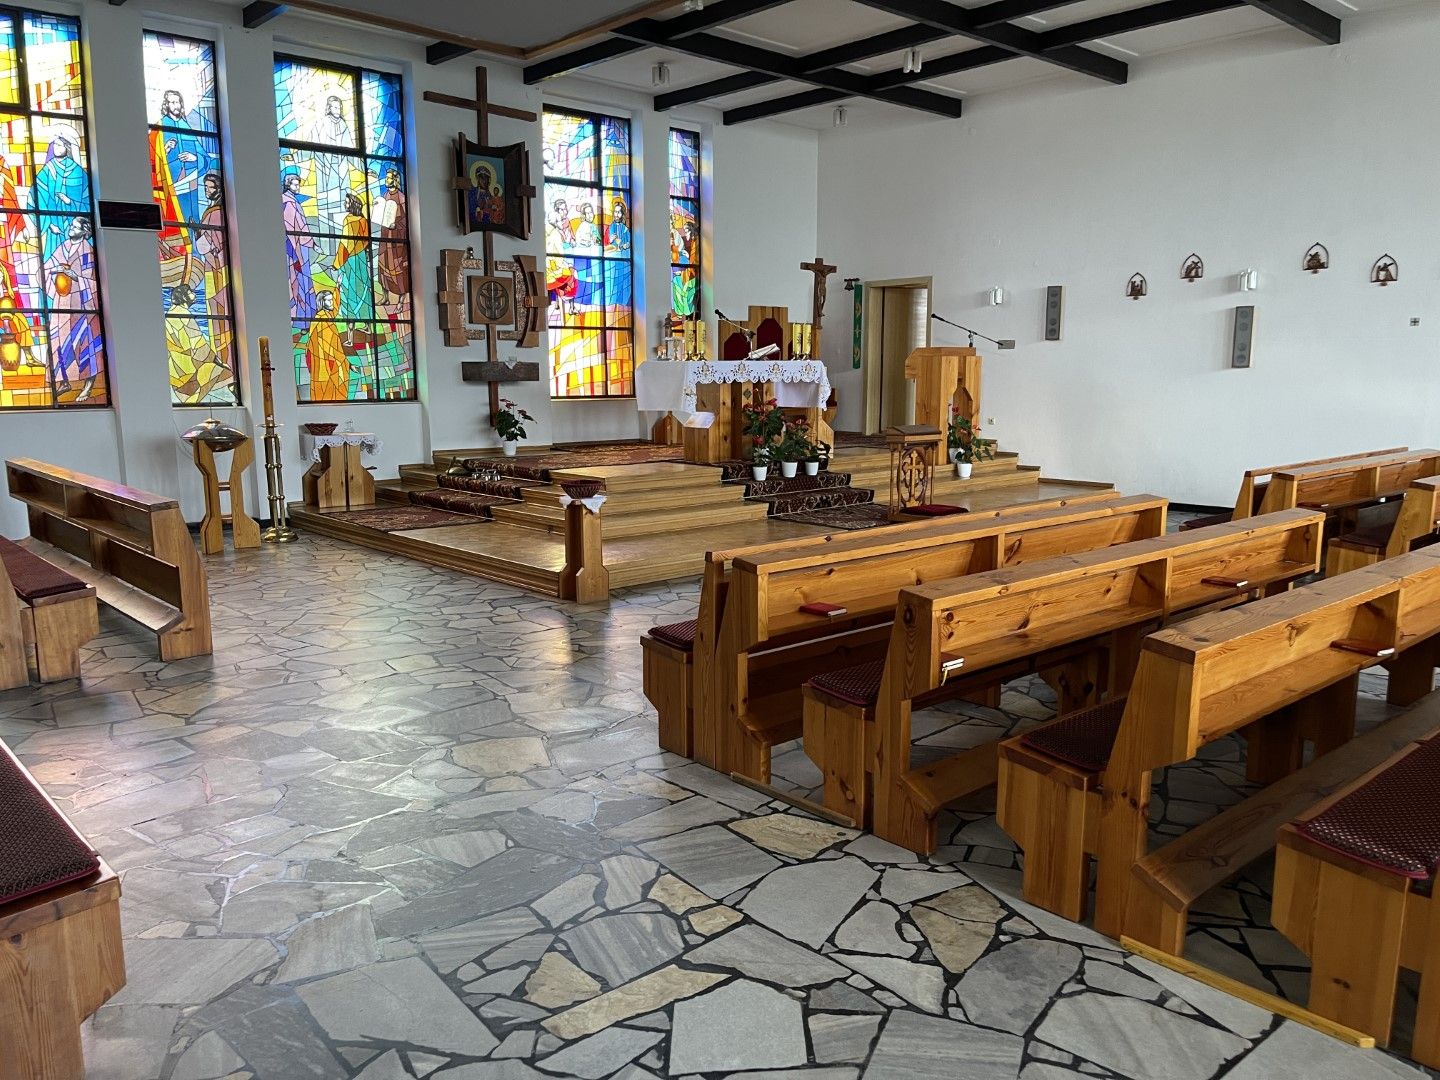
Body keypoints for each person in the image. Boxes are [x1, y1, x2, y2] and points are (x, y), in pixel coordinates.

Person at [44, 217, 99, 402]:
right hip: (61, 304)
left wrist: (75, 277)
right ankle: (63, 381)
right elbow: (45, 269)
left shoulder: (88, 252)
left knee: (84, 344)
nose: (70, 228)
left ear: (85, 232)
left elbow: (94, 282)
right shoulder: (63, 247)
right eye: (71, 225)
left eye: (75, 227)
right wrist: (54, 270)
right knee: (58, 343)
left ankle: (88, 385)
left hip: (81, 306)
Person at [165, 283, 229, 404]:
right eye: (190, 292)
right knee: (227, 374)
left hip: (175, 369)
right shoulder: (184, 315)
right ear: (184, 297)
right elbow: (199, 345)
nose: (194, 294)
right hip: (188, 368)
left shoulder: (171, 312)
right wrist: (218, 362)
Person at [33, 129, 89, 262]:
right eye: (55, 145)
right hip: (55, 226)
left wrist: (69, 202)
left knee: (79, 261)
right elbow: (36, 198)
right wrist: (49, 224)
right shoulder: (47, 170)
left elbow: (88, 202)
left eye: (59, 145)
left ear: (68, 148)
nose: (55, 148)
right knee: (54, 260)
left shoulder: (78, 172)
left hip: (75, 224)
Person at [156, 89, 209, 224]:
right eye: (172, 102)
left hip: (190, 180)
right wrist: (166, 149)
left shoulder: (185, 126)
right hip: (171, 181)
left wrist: (195, 158)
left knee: (192, 217)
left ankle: (194, 236)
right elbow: (151, 158)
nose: (176, 106)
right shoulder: (160, 126)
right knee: (176, 215)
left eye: (178, 102)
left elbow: (204, 156)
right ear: (166, 105)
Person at [194, 173, 230, 354]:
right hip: (213, 268)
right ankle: (221, 352)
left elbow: (210, 245)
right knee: (215, 309)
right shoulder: (213, 211)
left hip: (217, 270)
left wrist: (197, 233)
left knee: (219, 308)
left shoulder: (216, 213)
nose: (207, 191)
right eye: (205, 187)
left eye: (210, 187)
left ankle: (224, 353)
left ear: (219, 190)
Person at [333, 191, 369, 348]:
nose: (344, 204)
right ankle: (368, 326)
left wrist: (336, 263)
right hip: (360, 260)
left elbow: (345, 244)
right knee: (363, 291)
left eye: (347, 202)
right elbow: (366, 241)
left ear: (353, 204)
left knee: (348, 294)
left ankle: (350, 338)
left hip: (349, 261)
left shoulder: (348, 220)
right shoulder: (363, 220)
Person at [282, 169, 317, 321]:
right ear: (288, 185)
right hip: (295, 248)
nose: (298, 187)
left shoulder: (291, 201)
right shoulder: (288, 203)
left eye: (298, 185)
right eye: (295, 185)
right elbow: (296, 227)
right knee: (299, 281)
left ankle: (304, 319)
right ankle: (302, 319)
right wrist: (312, 243)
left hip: (296, 246)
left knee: (299, 281)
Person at [305, 291, 352, 401]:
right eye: (329, 300)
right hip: (326, 362)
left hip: (327, 361)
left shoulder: (327, 315)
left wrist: (337, 288)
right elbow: (329, 347)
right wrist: (345, 362)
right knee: (327, 390)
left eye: (332, 299)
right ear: (322, 302)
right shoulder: (322, 319)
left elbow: (335, 307)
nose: (332, 302)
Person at [374, 167, 408, 301]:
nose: (386, 180)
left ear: (395, 180)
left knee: (398, 268)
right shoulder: (385, 196)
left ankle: (401, 300)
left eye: (388, 178)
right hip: (385, 237)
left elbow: (406, 219)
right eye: (386, 177)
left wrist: (397, 226)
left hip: (396, 240)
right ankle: (385, 297)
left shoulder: (401, 198)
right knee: (383, 266)